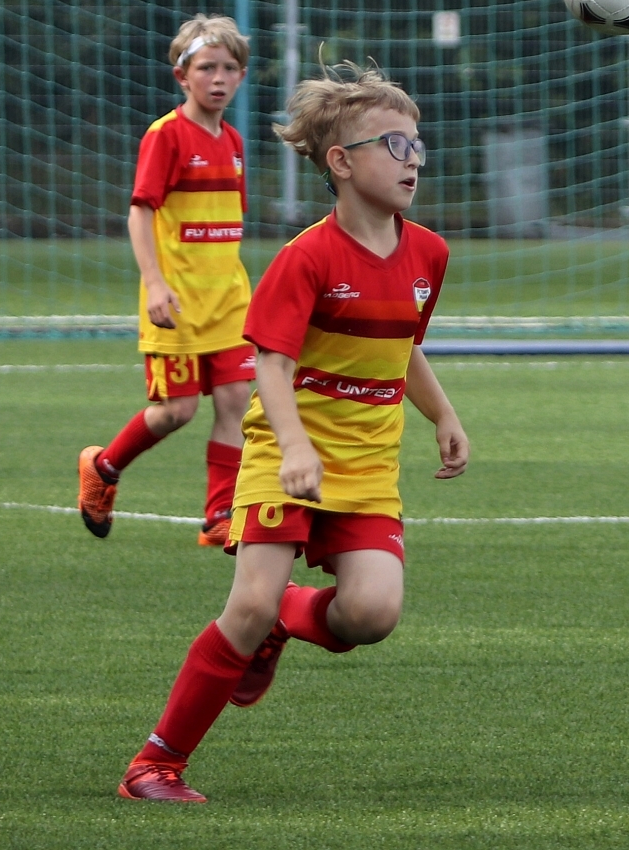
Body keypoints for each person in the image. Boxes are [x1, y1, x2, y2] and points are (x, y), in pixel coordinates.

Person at [117, 63, 468, 802]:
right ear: (340, 162)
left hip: (367, 463)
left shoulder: (428, 254)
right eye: (392, 145)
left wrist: (442, 414)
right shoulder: (306, 256)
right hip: (286, 450)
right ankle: (156, 764)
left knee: (371, 614)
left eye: (416, 145)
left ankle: (286, 618)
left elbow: (403, 347)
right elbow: (270, 364)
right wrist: (297, 446)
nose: (412, 160)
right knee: (246, 606)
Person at [77, 15, 256, 547]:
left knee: (236, 402)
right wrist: (155, 283)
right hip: (176, 301)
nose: (218, 78)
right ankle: (103, 468)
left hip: (228, 302)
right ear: (182, 75)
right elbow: (141, 211)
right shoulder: (166, 135)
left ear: (242, 75)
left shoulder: (234, 142)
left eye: (229, 68)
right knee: (177, 411)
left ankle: (219, 514)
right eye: (207, 68)